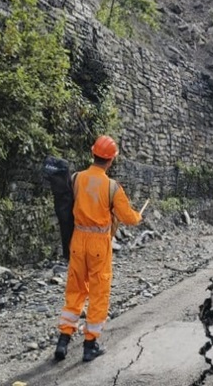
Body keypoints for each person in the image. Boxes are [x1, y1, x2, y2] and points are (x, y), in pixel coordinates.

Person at [55, 135, 142, 362]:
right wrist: (138, 216)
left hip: (77, 240)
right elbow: (128, 217)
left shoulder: (76, 178)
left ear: (93, 154)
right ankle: (90, 344)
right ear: (111, 160)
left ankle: (63, 340)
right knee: (98, 292)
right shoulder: (112, 187)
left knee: (75, 289)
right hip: (98, 245)